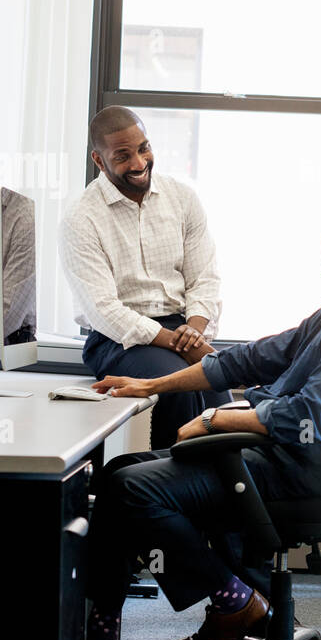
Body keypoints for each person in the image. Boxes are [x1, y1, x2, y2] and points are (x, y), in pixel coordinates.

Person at [83, 187, 321, 640]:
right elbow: (247, 359)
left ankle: (233, 600)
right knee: (118, 472)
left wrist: (215, 418)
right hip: (267, 456)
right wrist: (151, 383)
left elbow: (309, 419)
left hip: (288, 471)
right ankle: (103, 633)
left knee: (131, 489)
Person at [60, 106, 231, 450]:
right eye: (123, 156)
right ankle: (169, 491)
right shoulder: (80, 218)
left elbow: (205, 278)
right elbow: (103, 310)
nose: (139, 163)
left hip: (183, 328)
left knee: (221, 392)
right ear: (99, 159)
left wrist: (193, 332)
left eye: (143, 148)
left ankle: (220, 493)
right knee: (177, 387)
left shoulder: (182, 198)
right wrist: (184, 345)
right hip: (117, 339)